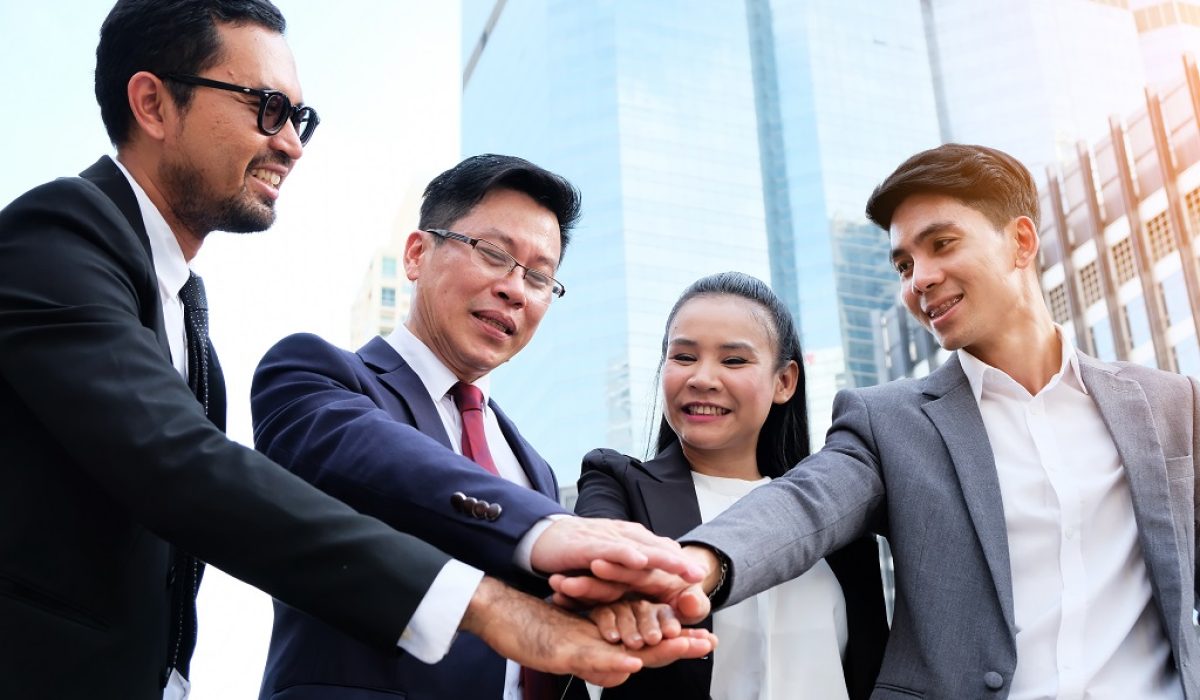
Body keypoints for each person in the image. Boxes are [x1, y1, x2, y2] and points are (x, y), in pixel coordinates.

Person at [0, 3, 709, 699]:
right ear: (153, 104)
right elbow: (184, 468)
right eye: (267, 107)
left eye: (540, 277)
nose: (292, 144)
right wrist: (510, 587)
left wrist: (613, 601)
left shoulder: (188, 320)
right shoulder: (59, 236)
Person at [555, 144, 1200, 698]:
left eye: (941, 244)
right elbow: (803, 505)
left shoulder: (1170, 404)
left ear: (1021, 242)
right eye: (902, 263)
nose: (920, 278)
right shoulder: (890, 423)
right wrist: (696, 565)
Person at [248, 154, 712, 699]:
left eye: (540, 276)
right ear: (418, 254)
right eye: (494, 254)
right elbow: (385, 464)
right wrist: (551, 530)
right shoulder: (316, 376)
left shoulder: (531, 465)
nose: (516, 289)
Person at [572, 272, 888, 700]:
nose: (702, 378)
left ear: (785, 382)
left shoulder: (837, 512)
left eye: (733, 361)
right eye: (683, 357)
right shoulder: (617, 484)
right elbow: (595, 588)